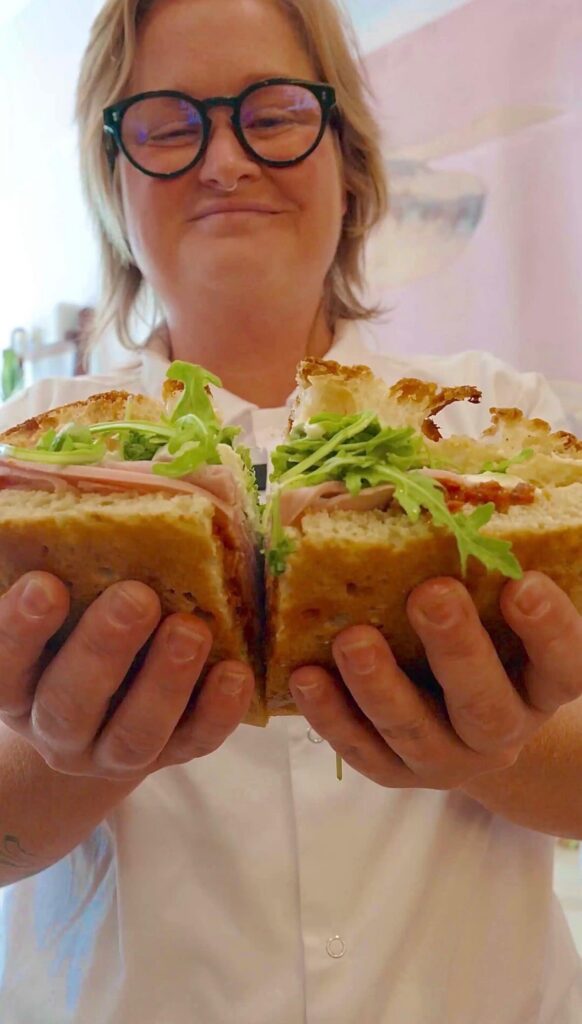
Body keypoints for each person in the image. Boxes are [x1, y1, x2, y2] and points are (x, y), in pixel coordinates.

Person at [0, 1, 581, 1021]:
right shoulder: (24, 457)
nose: (225, 161)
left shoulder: (515, 425)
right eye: (167, 126)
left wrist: (504, 748)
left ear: (347, 160)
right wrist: (72, 759)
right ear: (114, 182)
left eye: (273, 114)